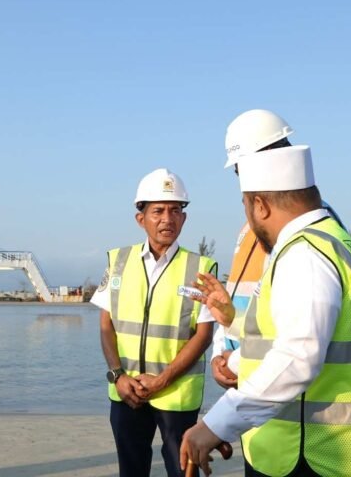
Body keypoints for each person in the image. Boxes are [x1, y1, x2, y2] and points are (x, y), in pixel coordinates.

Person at [180, 145, 351, 476]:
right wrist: (233, 322)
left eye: (245, 206)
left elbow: (298, 355)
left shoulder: (304, 254)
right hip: (349, 453)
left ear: (261, 205)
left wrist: (216, 424)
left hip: (318, 456)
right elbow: (297, 334)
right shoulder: (336, 241)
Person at [91, 168, 218, 477]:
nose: (167, 219)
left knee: (183, 470)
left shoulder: (201, 267)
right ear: (141, 218)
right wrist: (117, 376)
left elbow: (204, 335)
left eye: (175, 211)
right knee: (131, 470)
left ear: (184, 219)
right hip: (127, 391)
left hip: (177, 394)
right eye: (158, 211)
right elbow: (106, 325)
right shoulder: (118, 261)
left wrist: (163, 380)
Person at [212, 109, 343, 388]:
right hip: (252, 381)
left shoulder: (308, 231)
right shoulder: (248, 230)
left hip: (281, 390)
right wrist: (219, 353)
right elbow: (246, 308)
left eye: (241, 169)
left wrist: (236, 363)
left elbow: (298, 342)